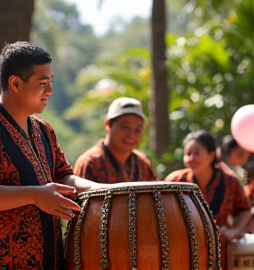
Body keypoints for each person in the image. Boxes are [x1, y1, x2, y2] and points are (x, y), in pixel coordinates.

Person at [0, 41, 108, 270]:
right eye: (43, 83)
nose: (50, 90)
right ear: (14, 83)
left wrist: (105, 190)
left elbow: (64, 177)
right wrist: (35, 195)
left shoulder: (44, 129)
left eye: (50, 82)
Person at [164, 129, 251, 270]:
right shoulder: (175, 181)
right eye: (188, 153)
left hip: (220, 254)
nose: (191, 158)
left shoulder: (230, 181)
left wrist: (235, 229)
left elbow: (244, 210)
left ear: (211, 155)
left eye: (197, 153)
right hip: (183, 252)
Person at [73, 97, 157, 183]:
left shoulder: (142, 164)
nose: (131, 135)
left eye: (137, 129)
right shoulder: (90, 163)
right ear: (108, 125)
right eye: (125, 127)